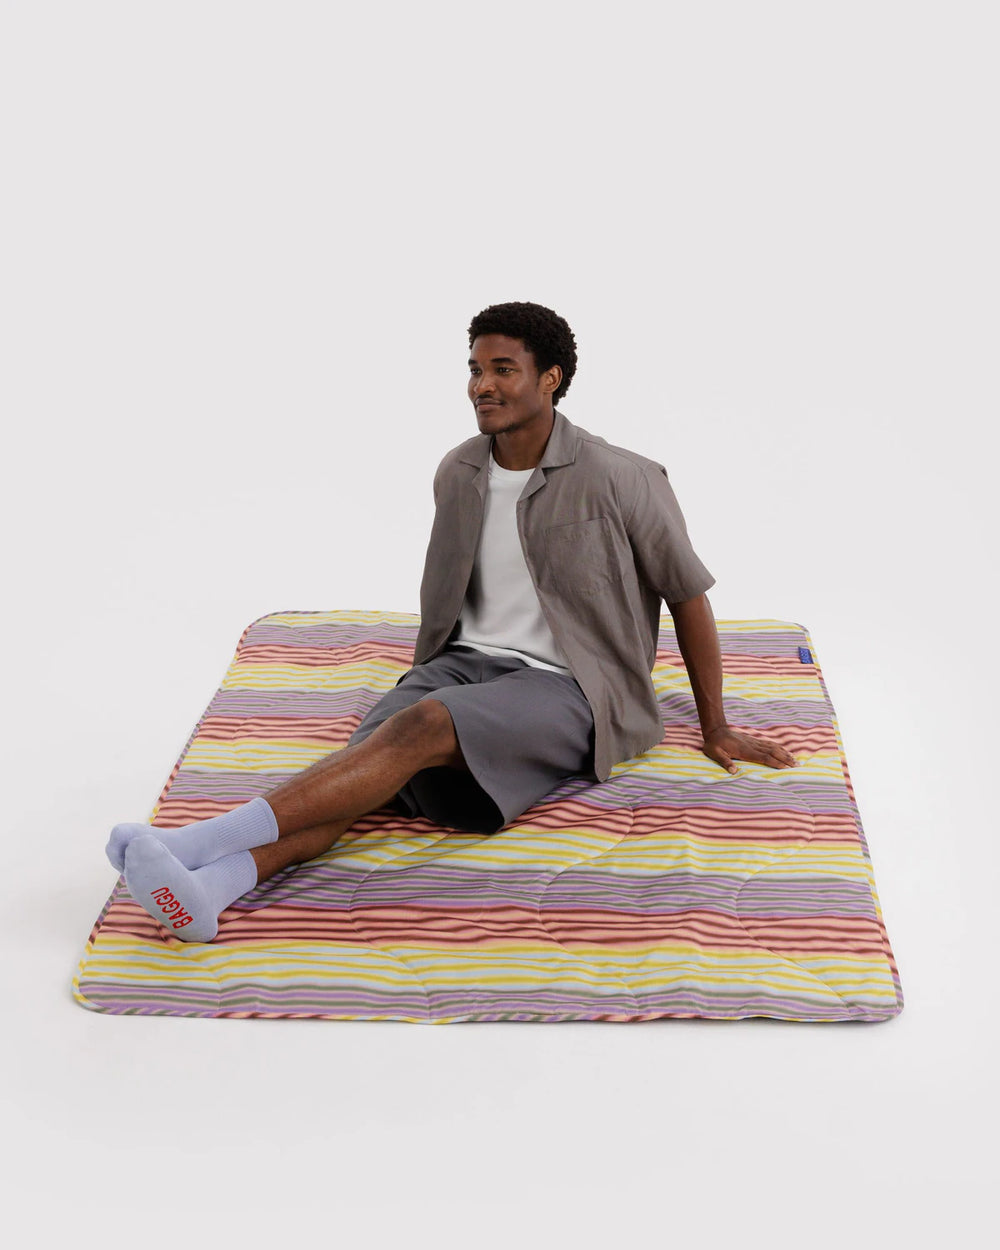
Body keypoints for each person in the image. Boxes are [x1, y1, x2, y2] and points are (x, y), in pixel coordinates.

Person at [106, 301, 796, 942]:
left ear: (550, 379)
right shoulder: (458, 471)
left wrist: (715, 724)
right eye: (475, 368)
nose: (482, 385)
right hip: (462, 664)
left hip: (574, 687)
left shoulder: (624, 476)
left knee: (421, 727)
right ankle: (214, 889)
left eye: (503, 369)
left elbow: (688, 595)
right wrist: (432, 668)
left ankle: (193, 843)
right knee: (359, 773)